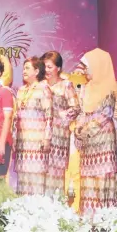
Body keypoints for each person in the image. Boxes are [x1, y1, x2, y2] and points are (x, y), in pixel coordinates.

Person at [74, 48, 117, 216]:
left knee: (102, 180)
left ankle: (104, 221)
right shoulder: (86, 88)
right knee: (88, 182)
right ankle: (88, 220)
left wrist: (84, 132)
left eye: (88, 66)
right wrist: (78, 129)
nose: (85, 71)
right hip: (88, 145)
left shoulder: (110, 88)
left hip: (102, 141)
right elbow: (81, 112)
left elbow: (105, 115)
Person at [41, 51, 80, 196]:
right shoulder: (40, 85)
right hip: (41, 135)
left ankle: (55, 208)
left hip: (58, 136)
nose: (46, 70)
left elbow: (76, 108)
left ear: (58, 68)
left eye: (49, 67)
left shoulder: (65, 85)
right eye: (44, 66)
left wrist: (60, 116)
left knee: (55, 172)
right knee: (41, 172)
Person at [14, 57, 53, 195]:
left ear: (36, 71)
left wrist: (47, 138)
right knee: (23, 179)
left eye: (27, 68)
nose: (24, 71)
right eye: (23, 68)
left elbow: (49, 114)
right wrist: (14, 139)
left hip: (37, 142)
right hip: (22, 142)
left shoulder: (44, 88)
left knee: (36, 178)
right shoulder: (21, 90)